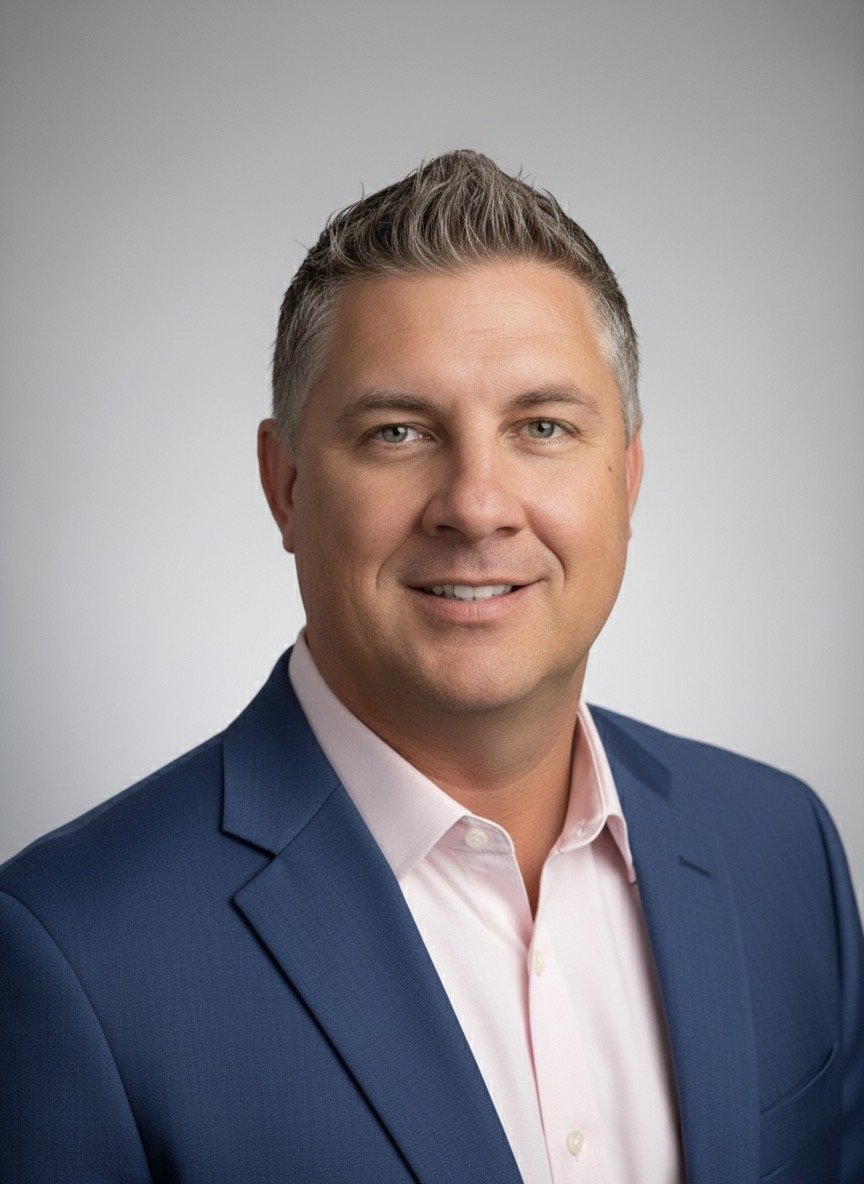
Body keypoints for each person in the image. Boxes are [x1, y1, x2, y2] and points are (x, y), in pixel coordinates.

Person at [0, 150, 861, 1184]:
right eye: (399, 431)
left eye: (542, 427)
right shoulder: (71, 950)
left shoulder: (784, 849)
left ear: (627, 480)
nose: (477, 505)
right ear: (285, 485)